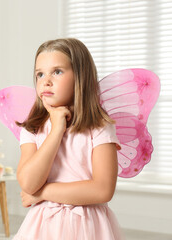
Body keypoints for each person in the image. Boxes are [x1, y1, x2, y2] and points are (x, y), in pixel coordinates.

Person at [13, 38, 123, 240]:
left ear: (80, 77)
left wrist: (42, 193)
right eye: (40, 74)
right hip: (42, 227)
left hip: (88, 226)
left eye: (57, 71)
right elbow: (28, 183)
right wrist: (56, 130)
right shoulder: (33, 128)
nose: (46, 80)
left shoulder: (99, 127)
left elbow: (102, 190)